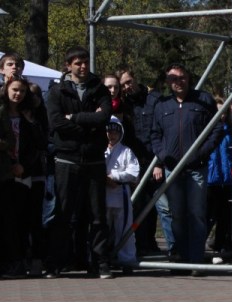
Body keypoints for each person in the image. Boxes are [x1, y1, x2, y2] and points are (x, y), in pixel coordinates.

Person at [46, 45, 113, 279]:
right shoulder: (57, 91)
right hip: (67, 159)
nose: (83, 66)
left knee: (97, 214)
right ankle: (56, 263)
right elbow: (56, 123)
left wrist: (74, 117)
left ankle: (100, 263)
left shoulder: (99, 89)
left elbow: (104, 117)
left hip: (94, 160)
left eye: (85, 62)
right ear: (68, 66)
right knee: (64, 213)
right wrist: (88, 125)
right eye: (78, 63)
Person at [150, 63, 223, 271]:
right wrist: (163, 155)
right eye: (173, 79)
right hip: (172, 169)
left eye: (182, 78)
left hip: (196, 168)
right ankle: (180, 258)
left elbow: (216, 129)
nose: (178, 82)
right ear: (168, 81)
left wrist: (202, 153)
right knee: (177, 214)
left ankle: (196, 260)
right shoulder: (162, 105)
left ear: (188, 78)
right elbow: (155, 135)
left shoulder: (203, 100)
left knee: (197, 214)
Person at [118, 69, 168, 257]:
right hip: (133, 162)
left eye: (129, 82)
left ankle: (151, 242)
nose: (127, 87)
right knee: (137, 204)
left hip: (153, 160)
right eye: (123, 85)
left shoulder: (154, 99)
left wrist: (159, 162)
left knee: (157, 204)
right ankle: (140, 243)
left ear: (135, 78)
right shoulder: (123, 104)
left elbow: (161, 132)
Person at [0, 74, 46, 278]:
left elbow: (39, 144)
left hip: (23, 174)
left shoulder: (29, 115)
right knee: (6, 220)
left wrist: (23, 166)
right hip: (4, 171)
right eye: (15, 90)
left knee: (20, 220)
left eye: (22, 91)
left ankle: (18, 262)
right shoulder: (1, 112)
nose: (18, 94)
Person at [104, 116, 139, 273]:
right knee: (102, 229)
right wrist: (105, 179)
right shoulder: (101, 151)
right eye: (109, 132)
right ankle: (101, 259)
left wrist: (115, 177)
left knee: (125, 230)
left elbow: (133, 172)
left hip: (121, 195)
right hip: (104, 195)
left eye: (115, 132)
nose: (112, 135)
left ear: (121, 133)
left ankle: (126, 260)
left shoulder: (126, 151)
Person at [206, 96, 232, 262]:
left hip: (227, 178)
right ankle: (198, 247)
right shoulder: (206, 130)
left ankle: (219, 247)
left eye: (224, 111)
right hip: (211, 178)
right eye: (218, 111)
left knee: (224, 216)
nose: (221, 115)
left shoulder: (230, 129)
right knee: (208, 215)